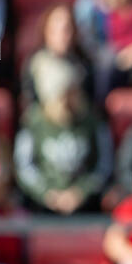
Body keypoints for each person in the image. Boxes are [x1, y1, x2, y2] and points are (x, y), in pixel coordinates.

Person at [14, 60, 113, 214]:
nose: (67, 103)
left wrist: (81, 191)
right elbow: (24, 166)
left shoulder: (93, 120)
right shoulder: (33, 122)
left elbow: (103, 165)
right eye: (62, 96)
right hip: (43, 207)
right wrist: (46, 193)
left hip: (86, 206)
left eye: (72, 93)